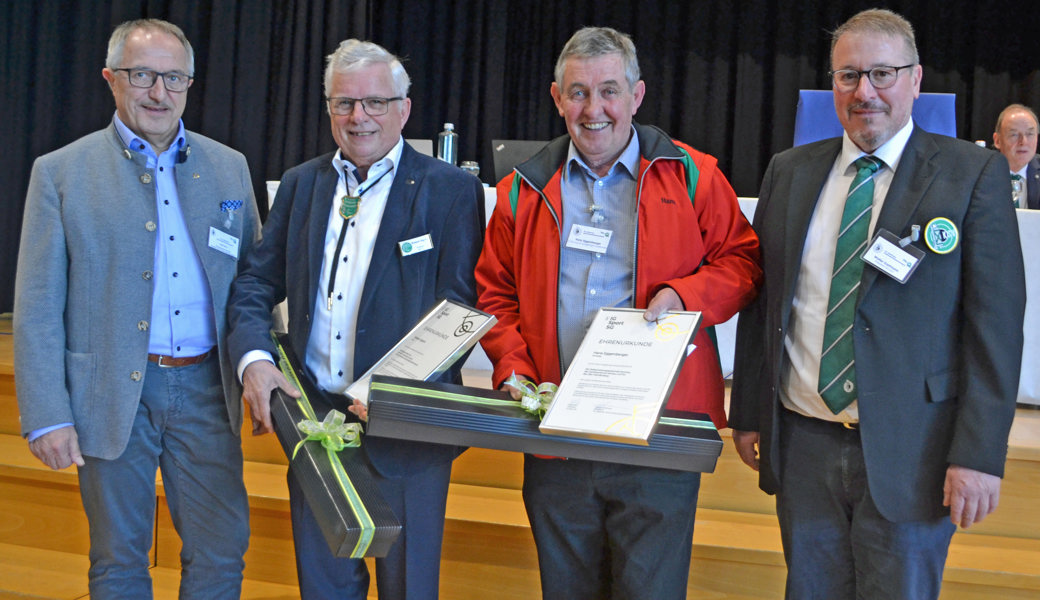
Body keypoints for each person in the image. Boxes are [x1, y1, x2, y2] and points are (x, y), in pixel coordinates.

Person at [730, 8, 1025, 599]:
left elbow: (994, 329)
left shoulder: (971, 174)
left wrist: (980, 454)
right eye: (848, 76)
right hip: (804, 445)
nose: (865, 91)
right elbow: (766, 303)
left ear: (916, 80)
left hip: (914, 451)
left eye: (882, 74)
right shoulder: (789, 172)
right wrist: (749, 412)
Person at [475, 26, 761, 600]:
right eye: (577, 92)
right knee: (566, 590)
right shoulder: (519, 189)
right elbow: (494, 294)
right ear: (557, 99)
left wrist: (686, 295)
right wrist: (513, 366)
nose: (594, 108)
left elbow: (742, 264)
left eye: (609, 90)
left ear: (637, 95)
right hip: (556, 430)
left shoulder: (693, 174)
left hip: (658, 433)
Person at [226, 39, 484, 599]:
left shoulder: (450, 191)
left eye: (374, 102)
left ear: (404, 109)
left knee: (409, 589)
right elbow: (255, 283)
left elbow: (460, 307)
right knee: (324, 590)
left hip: (408, 429)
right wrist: (253, 358)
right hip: (315, 424)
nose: (358, 117)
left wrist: (394, 390)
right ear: (328, 108)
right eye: (344, 103)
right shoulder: (300, 184)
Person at [13, 18, 258, 599]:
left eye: (174, 78)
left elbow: (252, 282)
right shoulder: (60, 173)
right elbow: (38, 303)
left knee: (221, 553)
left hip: (206, 389)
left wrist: (258, 367)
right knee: (118, 560)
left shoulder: (230, 167)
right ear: (111, 79)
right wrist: (47, 412)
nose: (158, 92)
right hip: (110, 391)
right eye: (142, 74)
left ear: (190, 84)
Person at [992, 103, 1040, 209]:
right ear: (997, 140)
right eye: (1014, 134)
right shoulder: (981, 173)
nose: (1023, 142)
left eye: (1030, 134)